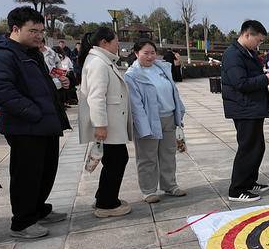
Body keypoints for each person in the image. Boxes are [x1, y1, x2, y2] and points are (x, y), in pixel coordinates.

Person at [0, 7, 71, 239]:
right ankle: (22, 222)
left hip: (44, 124)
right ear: (15, 29)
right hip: (25, 126)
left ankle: (37, 209)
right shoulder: (2, 55)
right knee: (27, 174)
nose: (39, 36)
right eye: (33, 31)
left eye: (41, 31)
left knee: (45, 171)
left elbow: (38, 84)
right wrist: (33, 112)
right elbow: (1, 90)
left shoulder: (31, 52)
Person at [221, 20, 269, 202]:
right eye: (258, 40)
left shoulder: (248, 52)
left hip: (253, 106)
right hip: (243, 107)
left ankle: (249, 181)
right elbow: (240, 83)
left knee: (257, 147)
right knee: (248, 148)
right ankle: (237, 189)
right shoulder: (233, 55)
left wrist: (264, 76)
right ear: (247, 34)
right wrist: (266, 79)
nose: (259, 44)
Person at [78, 27, 133, 218]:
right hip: (108, 125)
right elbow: (96, 97)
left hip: (112, 123)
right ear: (104, 43)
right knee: (117, 160)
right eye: (116, 42)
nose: (118, 45)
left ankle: (103, 196)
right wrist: (100, 125)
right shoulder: (98, 63)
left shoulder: (102, 60)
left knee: (114, 160)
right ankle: (107, 204)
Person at [124, 40, 187, 203]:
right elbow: (135, 105)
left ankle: (170, 185)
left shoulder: (162, 68)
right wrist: (143, 127)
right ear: (136, 53)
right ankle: (148, 190)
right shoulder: (132, 75)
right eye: (146, 53)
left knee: (168, 154)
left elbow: (174, 92)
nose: (150, 56)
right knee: (147, 157)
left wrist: (179, 113)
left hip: (168, 117)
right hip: (149, 120)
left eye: (153, 53)